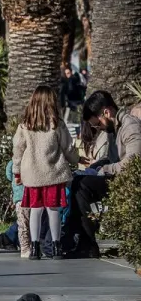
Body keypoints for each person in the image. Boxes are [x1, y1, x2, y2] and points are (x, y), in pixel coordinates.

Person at [65, 91, 141, 258]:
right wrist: (99, 165)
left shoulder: (130, 126)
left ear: (106, 112)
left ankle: (87, 244)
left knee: (82, 185)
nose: (98, 128)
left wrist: (105, 170)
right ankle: (71, 237)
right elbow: (114, 158)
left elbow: (134, 162)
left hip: (128, 182)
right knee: (77, 180)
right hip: (119, 178)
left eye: (97, 124)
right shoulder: (116, 128)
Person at [13, 86, 79, 260]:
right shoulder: (57, 124)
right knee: (53, 210)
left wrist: (17, 172)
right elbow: (68, 147)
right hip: (53, 173)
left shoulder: (25, 125)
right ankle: (56, 247)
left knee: (35, 209)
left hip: (32, 175)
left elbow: (18, 149)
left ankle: (34, 248)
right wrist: (76, 160)